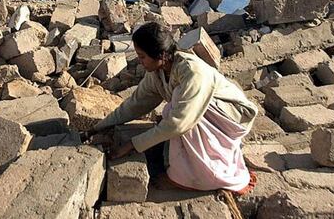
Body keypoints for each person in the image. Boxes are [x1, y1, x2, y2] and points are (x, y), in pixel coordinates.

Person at [92, 21, 258, 193]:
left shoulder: (192, 72)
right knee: (175, 110)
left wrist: (132, 145)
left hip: (234, 115)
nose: (140, 62)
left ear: (162, 55)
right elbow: (135, 104)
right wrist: (99, 127)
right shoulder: (157, 73)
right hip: (200, 113)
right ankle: (184, 167)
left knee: (174, 110)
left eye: (142, 57)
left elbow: (179, 123)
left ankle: (204, 176)